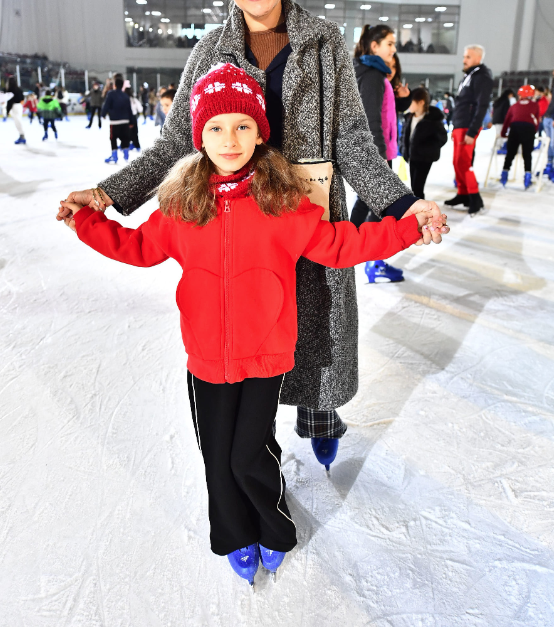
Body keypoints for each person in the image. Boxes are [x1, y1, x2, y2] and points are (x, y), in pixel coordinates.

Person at [57, 0, 448, 470]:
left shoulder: (326, 45)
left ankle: (320, 416)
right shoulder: (209, 51)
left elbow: (355, 146)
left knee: (317, 351)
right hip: (236, 227)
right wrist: (109, 194)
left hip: (308, 225)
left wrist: (406, 205)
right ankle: (254, 467)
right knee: (249, 357)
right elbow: (173, 146)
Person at [60, 63, 430, 584]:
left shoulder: (284, 203)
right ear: (199, 135)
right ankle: (234, 535)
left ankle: (274, 530)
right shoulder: (183, 205)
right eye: (215, 128)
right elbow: (140, 248)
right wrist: (88, 220)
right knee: (217, 458)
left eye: (241, 126)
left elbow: (343, 245)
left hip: (265, 357)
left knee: (247, 455)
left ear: (259, 132)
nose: (228, 139)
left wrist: (407, 227)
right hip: (207, 360)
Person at [351, 24, 405, 284]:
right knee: (383, 207)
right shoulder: (372, 75)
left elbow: (386, 114)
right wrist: (379, 155)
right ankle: (375, 260)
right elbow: (371, 117)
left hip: (381, 149)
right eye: (390, 44)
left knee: (367, 201)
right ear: (375, 46)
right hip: (378, 151)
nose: (394, 49)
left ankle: (349, 245)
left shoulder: (375, 74)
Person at [444, 44, 493, 216]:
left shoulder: (482, 77)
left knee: (464, 163)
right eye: (464, 57)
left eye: (468, 57)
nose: (464, 60)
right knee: (457, 162)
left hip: (468, 127)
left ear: (478, 59)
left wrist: (472, 131)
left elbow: (482, 105)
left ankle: (475, 198)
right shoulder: (469, 76)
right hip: (460, 125)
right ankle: (463, 194)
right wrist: (455, 126)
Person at [402, 88, 448, 199]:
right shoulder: (409, 117)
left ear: (421, 102)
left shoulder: (432, 119)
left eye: (411, 102)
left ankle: (420, 211)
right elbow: (404, 135)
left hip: (424, 158)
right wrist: (403, 149)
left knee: (418, 187)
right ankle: (418, 209)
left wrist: (427, 150)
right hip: (411, 156)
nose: (409, 105)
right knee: (413, 186)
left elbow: (442, 138)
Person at [499, 85, 540, 190]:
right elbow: (536, 121)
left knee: (510, 153)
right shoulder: (535, 106)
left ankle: (504, 175)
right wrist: (534, 132)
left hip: (515, 128)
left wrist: (503, 133)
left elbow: (507, 120)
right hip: (529, 129)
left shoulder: (514, 106)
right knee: (527, 154)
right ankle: (527, 177)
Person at [101, 75, 132, 164]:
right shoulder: (126, 96)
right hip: (125, 121)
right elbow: (129, 109)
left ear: (115, 85)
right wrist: (131, 121)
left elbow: (106, 105)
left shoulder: (111, 94)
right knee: (124, 137)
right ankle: (126, 154)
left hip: (115, 121)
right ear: (122, 86)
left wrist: (103, 114)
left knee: (113, 138)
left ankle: (114, 156)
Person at [123, 80, 143, 152]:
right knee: (134, 132)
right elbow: (140, 109)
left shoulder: (124, 99)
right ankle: (136, 145)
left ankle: (127, 145)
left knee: (127, 132)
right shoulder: (134, 99)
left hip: (126, 118)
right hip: (134, 117)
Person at [6, 77, 26, 145]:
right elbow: (22, 98)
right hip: (19, 106)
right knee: (18, 120)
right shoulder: (19, 89)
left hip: (15, 106)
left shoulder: (11, 89)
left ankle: (22, 136)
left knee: (17, 121)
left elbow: (10, 101)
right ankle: (22, 136)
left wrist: (7, 110)